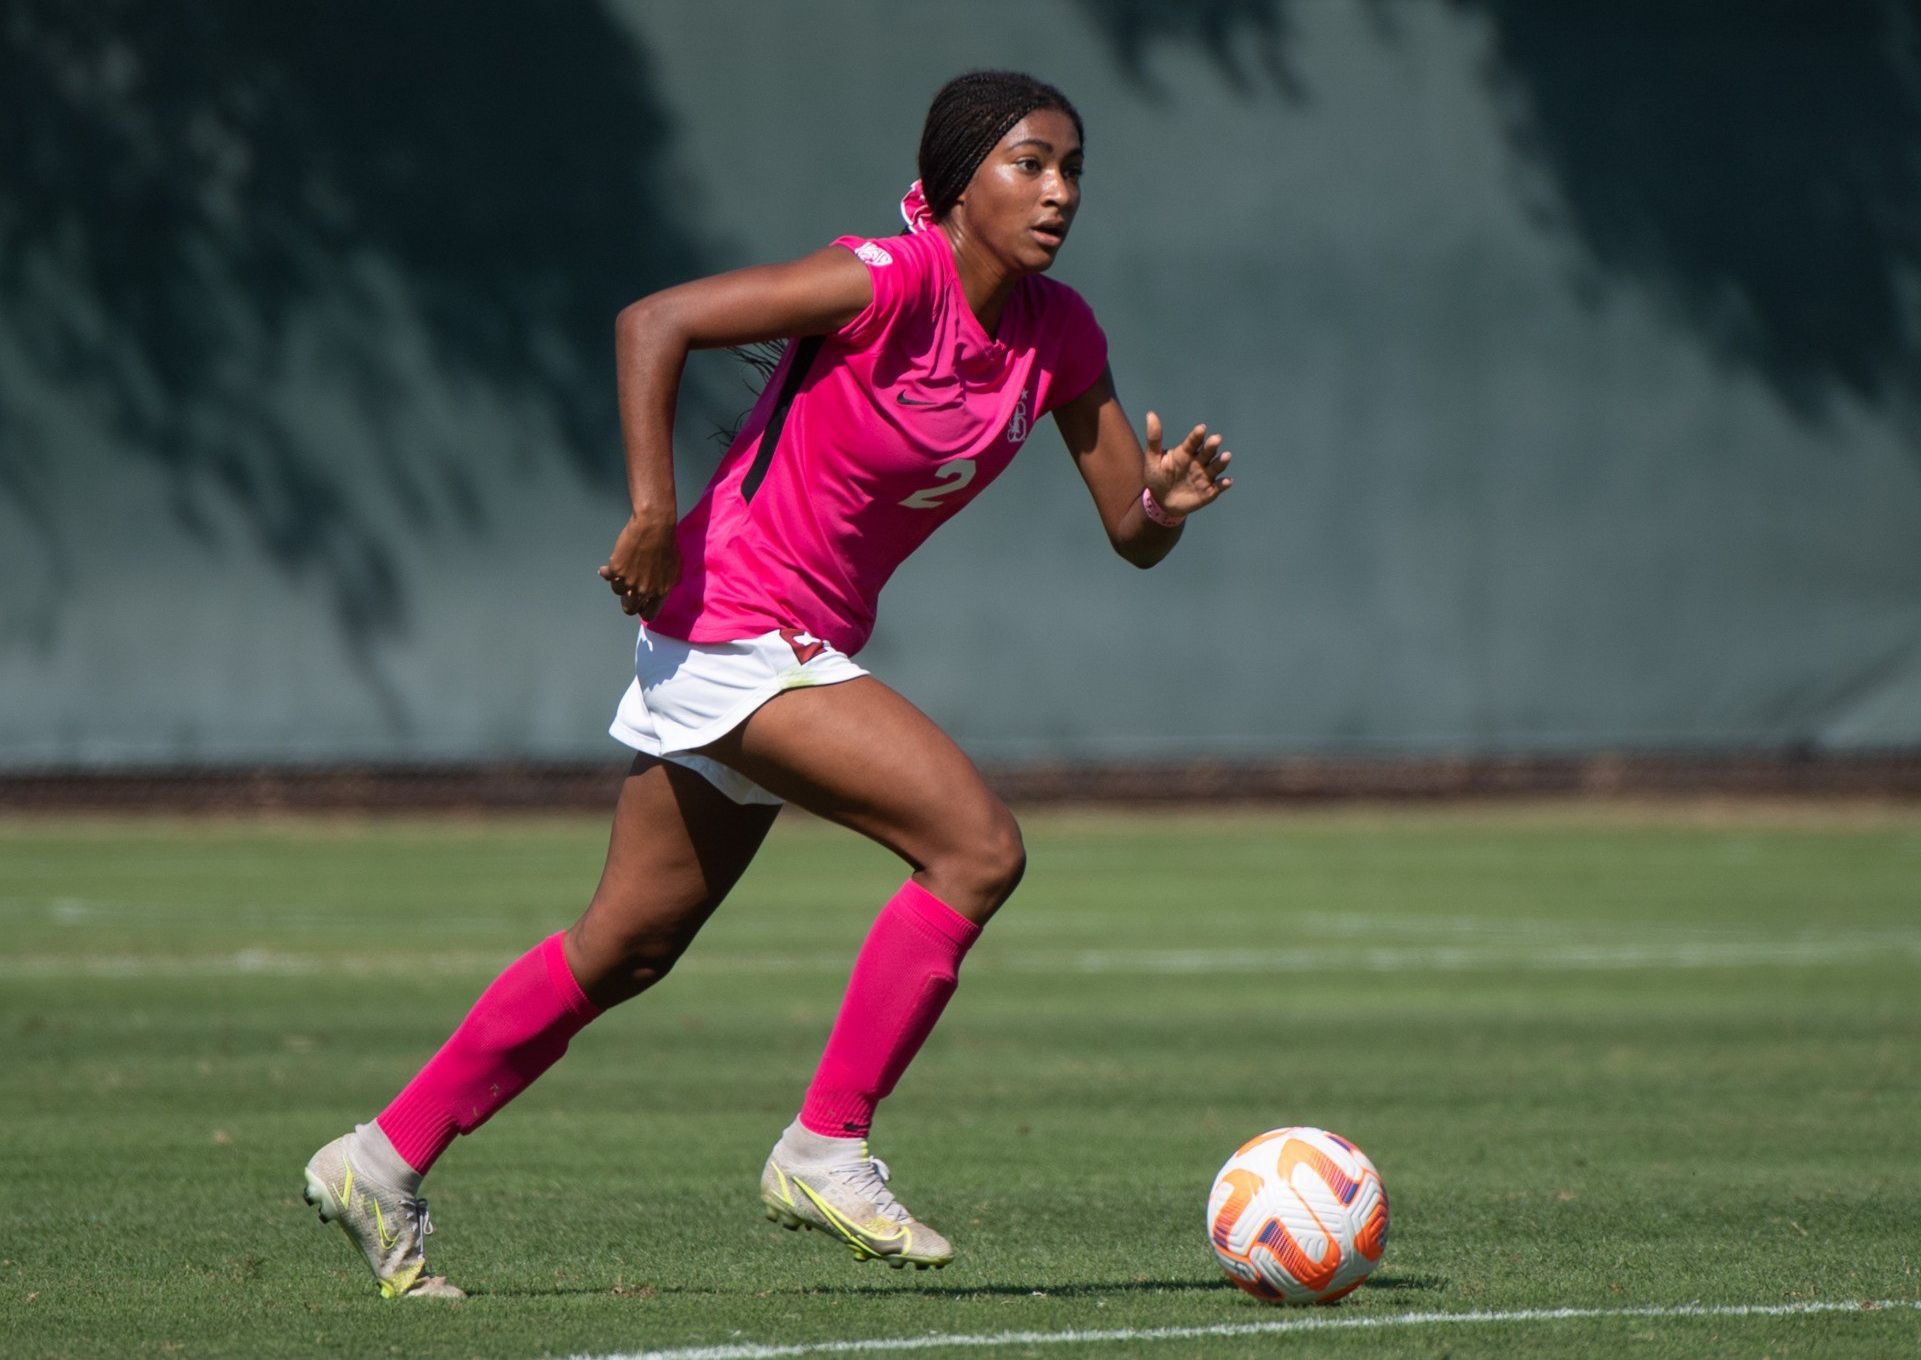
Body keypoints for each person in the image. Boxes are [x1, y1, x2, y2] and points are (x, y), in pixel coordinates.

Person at [302, 69, 1233, 1299]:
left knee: (626, 947)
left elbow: (1128, 526)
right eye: (1027, 163)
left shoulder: (1058, 335)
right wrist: (650, 511)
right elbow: (654, 322)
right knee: (975, 848)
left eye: (1071, 168)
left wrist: (1162, 504)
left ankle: (379, 1158)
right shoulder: (885, 278)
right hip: (734, 622)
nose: (1057, 190)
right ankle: (824, 1144)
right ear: (957, 183)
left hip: (792, 639)